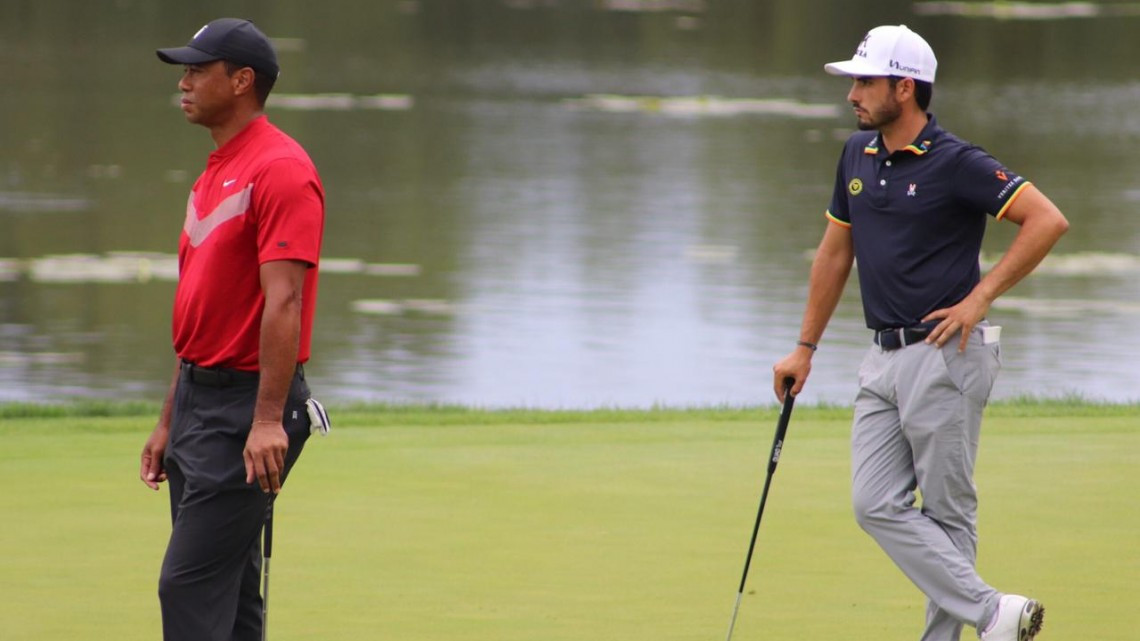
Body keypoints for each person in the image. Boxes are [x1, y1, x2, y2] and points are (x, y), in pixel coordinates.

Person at [772, 25, 1068, 641]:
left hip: (946, 356)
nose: (853, 94)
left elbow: (1046, 219)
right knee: (872, 504)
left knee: (947, 513)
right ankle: (993, 613)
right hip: (881, 359)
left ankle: (965, 629)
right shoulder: (857, 155)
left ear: (904, 88)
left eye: (865, 81)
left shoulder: (956, 162)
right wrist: (805, 347)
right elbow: (834, 253)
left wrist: (980, 297)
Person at [138, 17, 326, 641]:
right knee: (231, 587)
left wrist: (268, 419)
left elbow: (285, 302)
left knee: (187, 583)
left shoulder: (280, 169)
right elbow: (201, 309)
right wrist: (170, 415)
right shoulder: (214, 173)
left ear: (242, 81)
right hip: (198, 400)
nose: (184, 83)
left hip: (248, 405)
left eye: (197, 70)